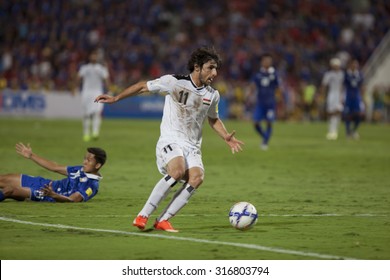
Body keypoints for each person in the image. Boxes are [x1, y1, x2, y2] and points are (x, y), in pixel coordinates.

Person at [95, 46, 244, 232]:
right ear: (197, 67)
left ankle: (163, 220)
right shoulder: (174, 82)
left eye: (216, 69)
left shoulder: (212, 95)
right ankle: (143, 215)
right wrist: (116, 98)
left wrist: (225, 137)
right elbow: (143, 86)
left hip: (193, 145)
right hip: (171, 139)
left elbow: (213, 119)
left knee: (197, 178)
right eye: (210, 67)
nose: (214, 72)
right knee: (178, 170)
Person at [0, 143, 106, 202]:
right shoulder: (80, 169)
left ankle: (20, 194)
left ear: (97, 165)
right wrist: (31, 155)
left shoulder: (91, 185)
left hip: (47, 195)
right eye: (84, 158)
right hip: (46, 184)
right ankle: (20, 195)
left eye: (88, 160)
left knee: (9, 190)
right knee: (2, 179)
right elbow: (55, 167)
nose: (84, 162)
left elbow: (73, 200)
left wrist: (53, 195)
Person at [76, 50, 110, 142]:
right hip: (86, 93)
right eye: (92, 55)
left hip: (97, 93)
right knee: (86, 114)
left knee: (97, 113)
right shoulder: (85, 68)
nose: (93, 57)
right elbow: (78, 78)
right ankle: (86, 134)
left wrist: (109, 90)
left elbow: (106, 79)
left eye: (95, 56)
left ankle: (95, 133)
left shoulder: (101, 68)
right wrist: (75, 88)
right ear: (89, 56)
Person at [249, 53, 281, 150]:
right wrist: (250, 93)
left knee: (269, 122)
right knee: (255, 123)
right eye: (265, 60)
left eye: (268, 60)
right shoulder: (258, 74)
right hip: (260, 103)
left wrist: (280, 99)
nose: (267, 62)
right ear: (262, 62)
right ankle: (265, 137)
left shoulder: (274, 74)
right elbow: (253, 86)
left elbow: (278, 88)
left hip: (270, 103)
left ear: (271, 62)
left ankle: (265, 142)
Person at [320, 58, 344, 140]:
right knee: (331, 112)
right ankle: (331, 130)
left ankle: (334, 130)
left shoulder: (342, 74)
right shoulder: (329, 74)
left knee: (338, 111)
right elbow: (324, 85)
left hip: (339, 95)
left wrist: (343, 96)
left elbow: (342, 86)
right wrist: (322, 95)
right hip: (332, 94)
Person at [343, 59, 365, 139]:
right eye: (353, 64)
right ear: (350, 65)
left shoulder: (360, 74)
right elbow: (343, 86)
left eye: (356, 64)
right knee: (347, 115)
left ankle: (354, 130)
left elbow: (362, 86)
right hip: (348, 97)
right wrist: (341, 97)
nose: (355, 66)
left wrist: (362, 97)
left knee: (359, 115)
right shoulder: (346, 74)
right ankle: (348, 132)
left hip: (356, 97)